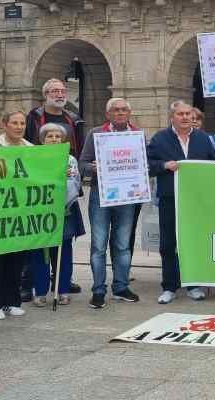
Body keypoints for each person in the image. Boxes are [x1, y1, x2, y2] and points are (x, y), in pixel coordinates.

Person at [147, 101, 215, 304]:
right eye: (181, 114)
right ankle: (169, 286)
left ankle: (193, 285)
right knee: (168, 243)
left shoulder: (203, 139)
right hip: (170, 199)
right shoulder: (160, 139)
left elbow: (212, 164)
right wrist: (163, 165)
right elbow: (148, 164)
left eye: (188, 114)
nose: (186, 117)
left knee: (192, 242)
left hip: (196, 200)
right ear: (172, 117)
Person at [24, 78, 85, 299]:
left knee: (65, 246)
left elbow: (79, 152)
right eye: (55, 91)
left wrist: (73, 176)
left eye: (62, 90)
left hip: (65, 204)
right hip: (40, 203)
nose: (60, 94)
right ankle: (34, 285)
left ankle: (62, 284)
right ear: (45, 94)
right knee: (39, 247)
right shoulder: (33, 117)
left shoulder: (73, 119)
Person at [80, 98, 142, 309]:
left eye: (124, 110)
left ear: (129, 113)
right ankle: (98, 290)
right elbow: (82, 163)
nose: (120, 113)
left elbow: (145, 164)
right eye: (115, 110)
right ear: (108, 114)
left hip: (127, 197)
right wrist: (92, 167)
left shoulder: (138, 135)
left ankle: (121, 287)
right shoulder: (96, 134)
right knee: (98, 245)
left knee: (123, 245)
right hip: (101, 194)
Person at [0, 110, 33, 320]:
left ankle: (12, 301)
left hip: (20, 211)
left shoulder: (31, 148)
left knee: (17, 258)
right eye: (15, 123)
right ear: (4, 124)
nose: (19, 127)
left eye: (22, 123)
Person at [29, 123, 85, 308]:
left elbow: (75, 184)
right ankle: (40, 291)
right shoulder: (34, 157)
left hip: (64, 212)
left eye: (58, 136)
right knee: (40, 253)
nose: (54, 139)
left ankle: (62, 290)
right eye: (50, 136)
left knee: (64, 252)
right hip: (40, 213)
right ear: (42, 139)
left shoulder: (70, 160)